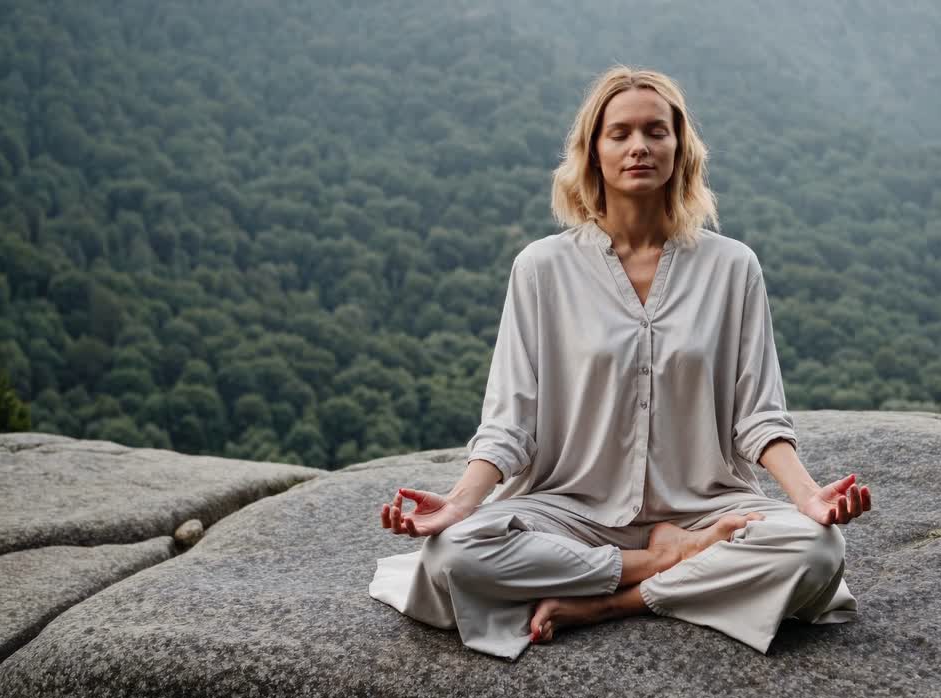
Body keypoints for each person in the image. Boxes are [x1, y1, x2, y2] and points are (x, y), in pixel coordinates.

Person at [369, 65, 872, 661]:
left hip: (707, 506)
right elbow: (510, 423)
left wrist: (808, 498)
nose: (639, 146)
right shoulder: (541, 268)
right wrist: (459, 504)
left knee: (817, 551)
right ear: (593, 152)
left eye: (656, 132)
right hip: (570, 509)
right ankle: (659, 563)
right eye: (620, 133)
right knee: (453, 555)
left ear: (679, 148)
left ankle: (613, 601)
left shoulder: (733, 267)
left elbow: (758, 416)